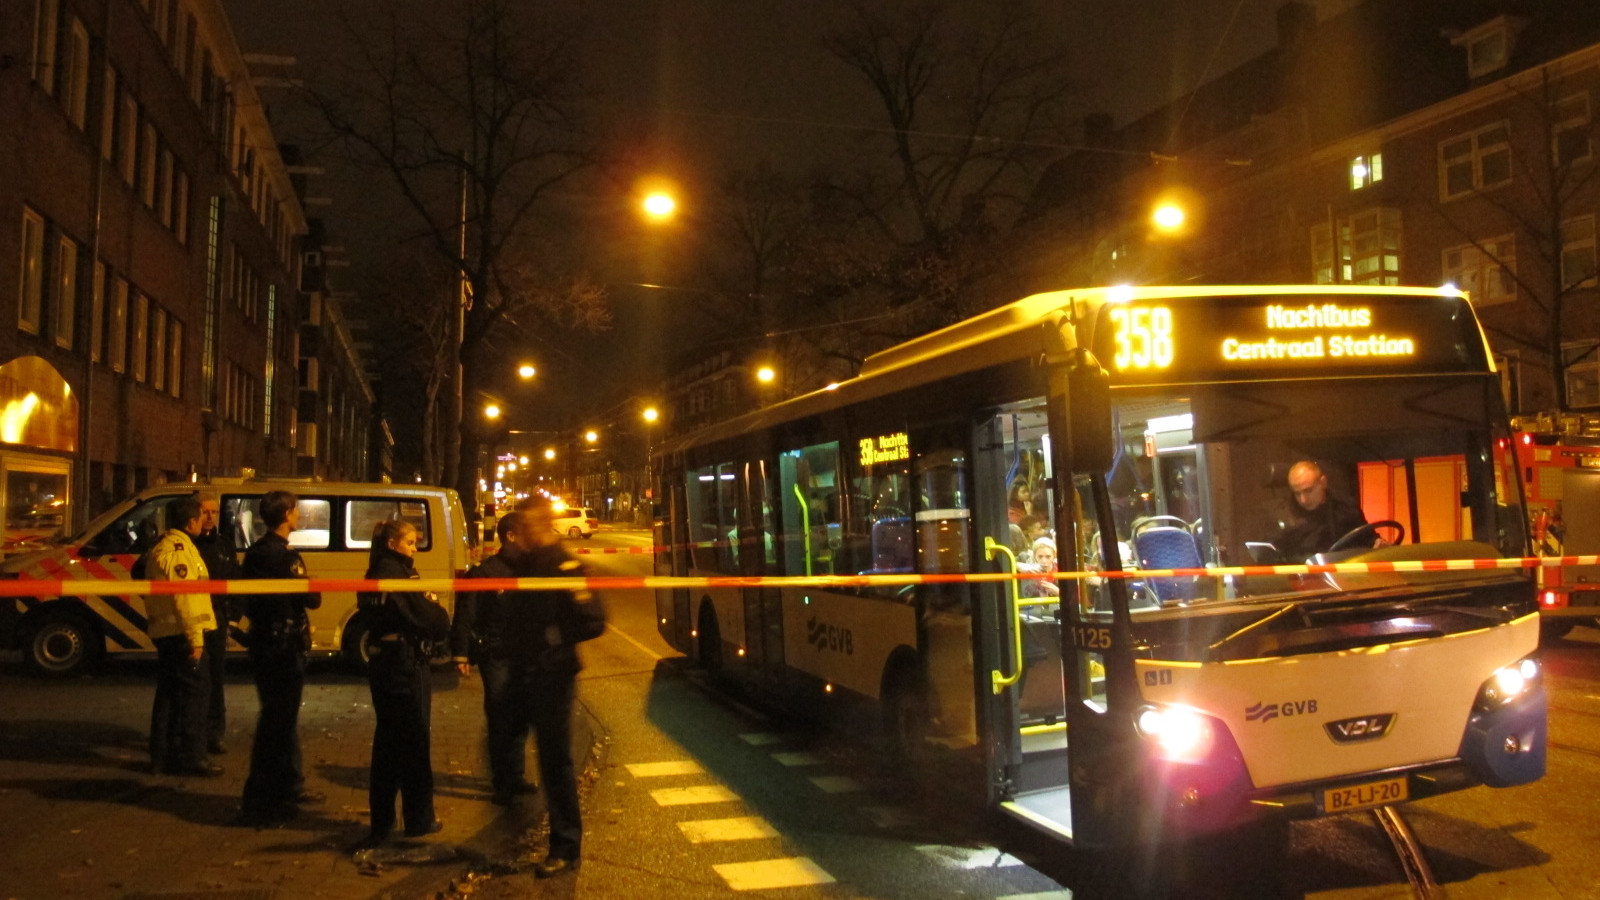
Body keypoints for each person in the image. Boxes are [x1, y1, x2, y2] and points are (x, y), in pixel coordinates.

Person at [499, 500, 608, 878]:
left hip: (554, 675)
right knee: (502, 743)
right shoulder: (525, 563)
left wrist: (553, 638)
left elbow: (593, 620)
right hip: (523, 671)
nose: (523, 532)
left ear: (543, 524)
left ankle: (565, 846)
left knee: (555, 760)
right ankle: (512, 829)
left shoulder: (564, 564)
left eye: (528, 525)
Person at [360, 519, 451, 845]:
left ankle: (383, 822)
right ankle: (418, 820)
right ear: (392, 543)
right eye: (410, 542)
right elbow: (431, 618)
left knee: (388, 744)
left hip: (389, 663)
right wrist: (438, 615)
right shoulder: (396, 575)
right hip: (404, 665)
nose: (414, 549)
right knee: (412, 743)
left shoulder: (376, 571)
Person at [239, 490, 324, 826]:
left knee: (279, 719)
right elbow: (311, 598)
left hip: (265, 641)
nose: (298, 515)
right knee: (277, 721)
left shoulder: (255, 553)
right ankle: (264, 799)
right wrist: (309, 583)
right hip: (283, 647)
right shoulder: (284, 555)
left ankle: (288, 786)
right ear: (287, 513)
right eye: (296, 510)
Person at [450, 513, 539, 806]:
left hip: (524, 652)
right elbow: (467, 613)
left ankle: (515, 775)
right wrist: (460, 651)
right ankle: (502, 782)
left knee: (521, 715)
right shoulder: (486, 573)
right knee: (501, 716)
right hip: (497, 653)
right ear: (510, 536)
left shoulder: (531, 568)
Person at [144, 495, 222, 777]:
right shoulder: (179, 550)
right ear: (191, 522)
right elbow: (186, 596)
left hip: (170, 633)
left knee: (168, 695)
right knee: (195, 697)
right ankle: (194, 757)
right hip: (181, 634)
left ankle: (163, 756)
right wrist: (196, 639)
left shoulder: (173, 545)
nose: (206, 521)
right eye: (202, 516)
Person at [195, 492, 241, 756]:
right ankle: (193, 732)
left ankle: (214, 733)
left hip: (218, 619)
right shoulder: (189, 544)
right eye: (205, 512)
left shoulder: (224, 545)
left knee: (216, 678)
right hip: (194, 620)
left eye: (213, 512)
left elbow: (234, 578)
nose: (210, 517)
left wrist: (234, 615)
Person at [1274, 460, 1368, 560]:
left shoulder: (1345, 508)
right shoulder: (1284, 514)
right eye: (1297, 493)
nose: (1303, 500)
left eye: (1308, 491)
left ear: (1323, 482)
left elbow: (1367, 540)